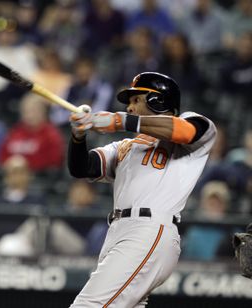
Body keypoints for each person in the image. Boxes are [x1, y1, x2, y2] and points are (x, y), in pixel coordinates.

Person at [68, 71, 217, 307]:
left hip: (149, 229)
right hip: (118, 231)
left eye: (136, 100)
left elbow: (184, 132)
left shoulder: (191, 123)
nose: (129, 107)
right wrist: (78, 136)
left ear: (158, 100)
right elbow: (83, 168)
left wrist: (118, 121)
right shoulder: (126, 145)